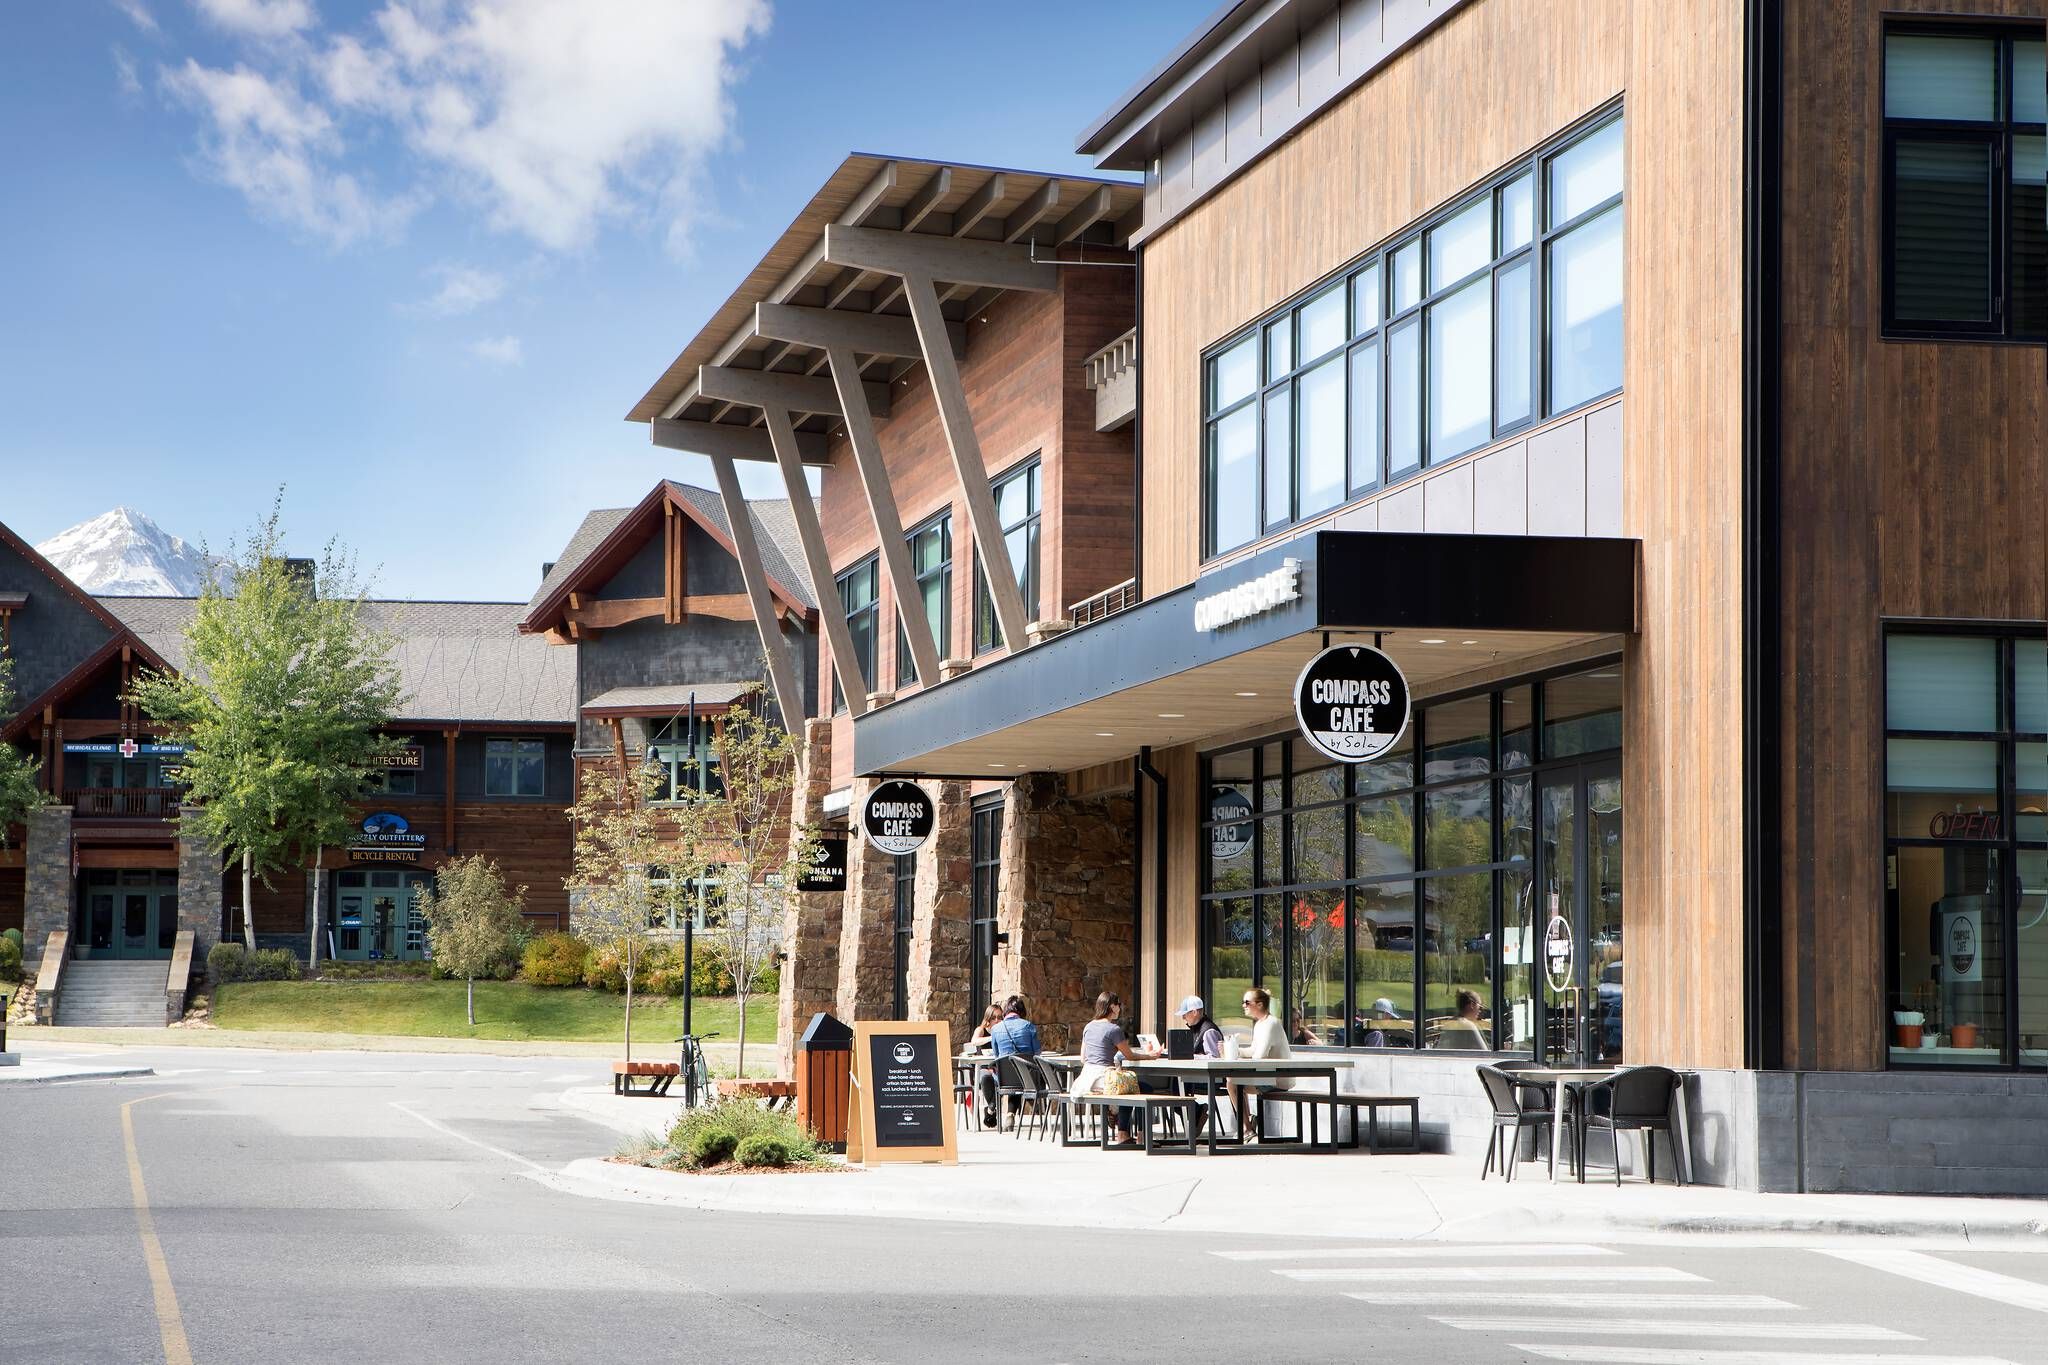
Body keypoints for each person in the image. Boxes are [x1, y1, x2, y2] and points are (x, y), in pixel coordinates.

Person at [1071, 991, 1160, 1148]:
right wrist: (1150, 1056)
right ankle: (1142, 1136)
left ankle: (1123, 1134)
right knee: (1142, 1088)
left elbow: (1083, 1058)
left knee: (1129, 1087)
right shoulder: (1113, 1029)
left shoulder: (1088, 1026)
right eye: (1118, 1005)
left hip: (1086, 1080)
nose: (1120, 1008)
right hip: (1104, 1079)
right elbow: (1130, 1056)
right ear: (1112, 1006)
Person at [1234, 986, 1293, 1141]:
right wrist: (1234, 1051)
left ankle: (1247, 1128)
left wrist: (1238, 1056)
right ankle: (1248, 1125)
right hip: (1267, 1076)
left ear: (1259, 1004)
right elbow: (1253, 1051)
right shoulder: (1260, 1024)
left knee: (1232, 1083)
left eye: (1247, 1002)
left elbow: (1260, 1055)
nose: (1243, 1006)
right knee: (1232, 1082)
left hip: (1277, 1079)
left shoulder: (1272, 1024)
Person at [981, 995, 1041, 1126]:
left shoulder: (996, 1029)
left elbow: (997, 1056)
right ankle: (1012, 1113)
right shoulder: (1029, 1026)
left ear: (1006, 1011)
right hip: (1028, 1077)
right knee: (1020, 1072)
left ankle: (997, 1110)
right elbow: (1037, 1053)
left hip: (1005, 1078)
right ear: (1022, 1011)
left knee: (1005, 1074)